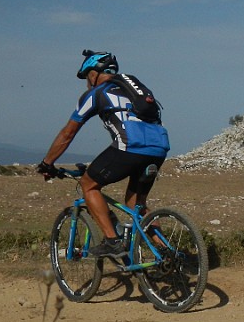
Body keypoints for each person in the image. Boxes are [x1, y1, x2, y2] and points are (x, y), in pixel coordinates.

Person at [37, 50, 170, 258]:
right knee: (136, 204)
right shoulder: (132, 89)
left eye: (86, 76)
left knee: (88, 184)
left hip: (130, 147)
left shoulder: (96, 94)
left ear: (93, 73)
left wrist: (47, 163)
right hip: (159, 148)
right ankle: (166, 254)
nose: (87, 83)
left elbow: (68, 132)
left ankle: (112, 241)